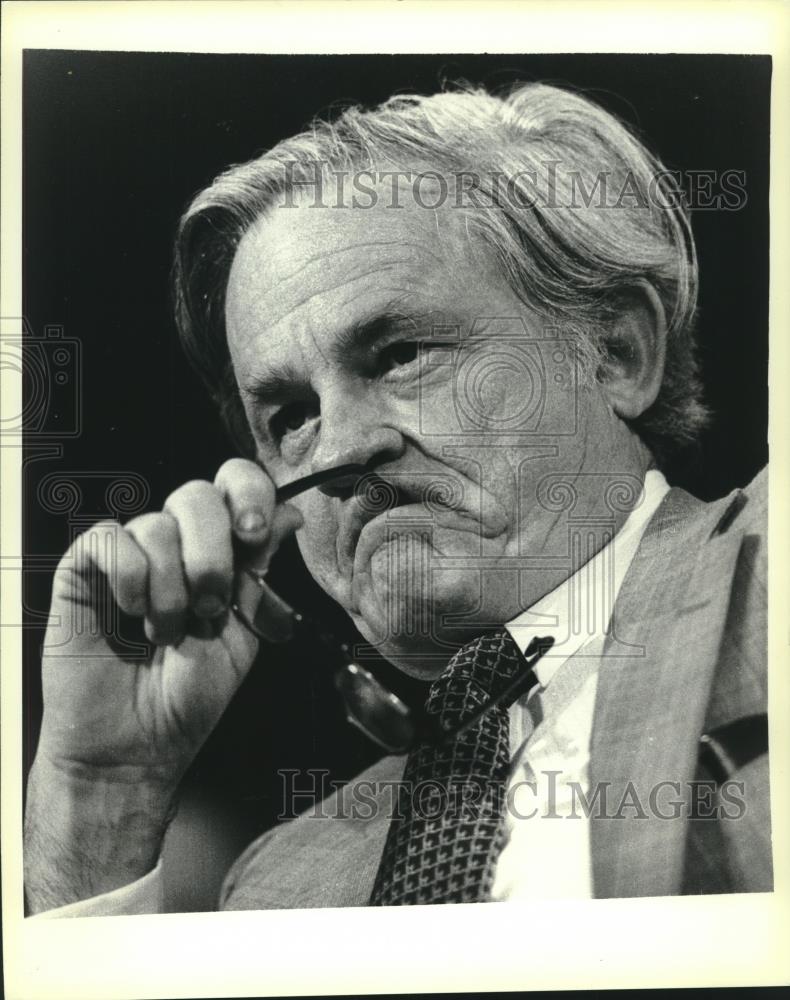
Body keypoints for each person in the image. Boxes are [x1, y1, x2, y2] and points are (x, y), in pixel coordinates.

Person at [24, 82, 770, 915]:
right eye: (291, 416)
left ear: (616, 351)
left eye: (400, 353)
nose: (340, 453)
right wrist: (101, 793)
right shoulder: (276, 890)